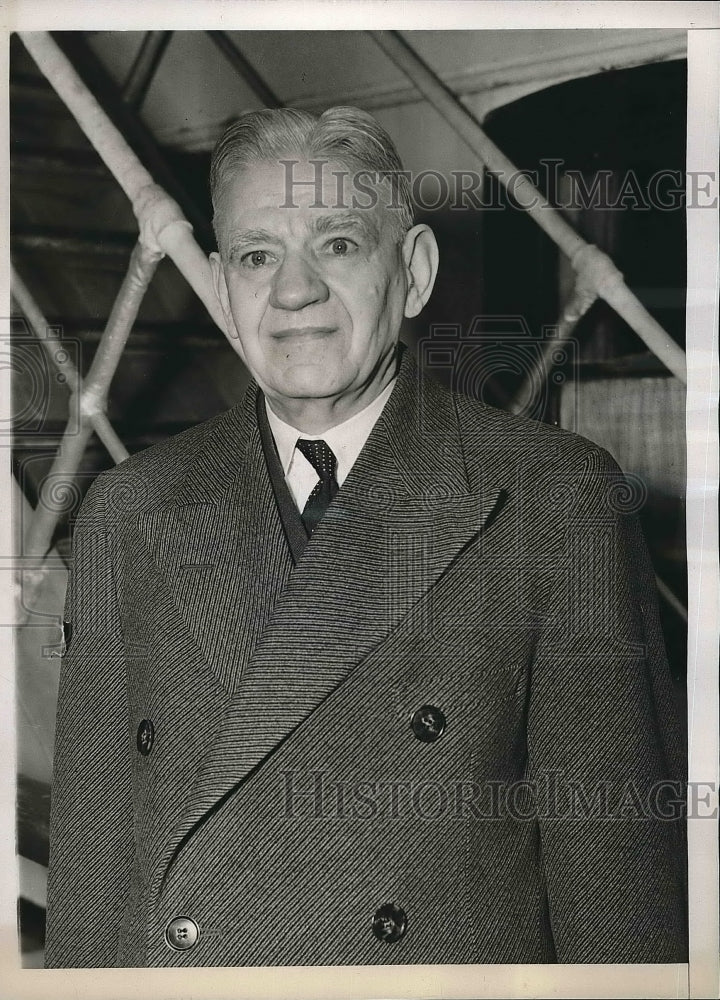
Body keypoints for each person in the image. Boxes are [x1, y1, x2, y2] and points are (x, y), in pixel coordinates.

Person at [44, 106, 687, 967]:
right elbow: (93, 877)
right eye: (255, 254)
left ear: (414, 272)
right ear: (226, 289)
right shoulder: (130, 508)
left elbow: (620, 901)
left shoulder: (553, 499)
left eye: (338, 244)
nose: (293, 289)